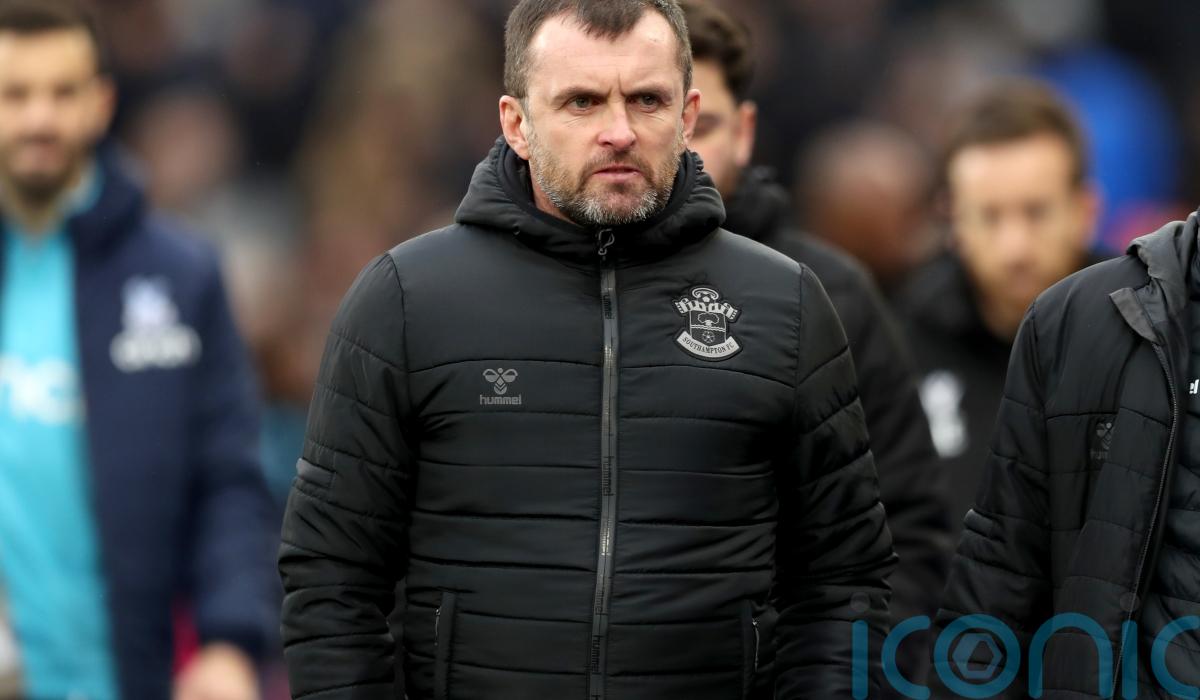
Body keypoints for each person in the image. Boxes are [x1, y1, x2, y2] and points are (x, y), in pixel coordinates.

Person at [277, 1, 897, 698]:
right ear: (516, 123)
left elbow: (845, 582)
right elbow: (331, 578)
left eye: (647, 100)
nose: (619, 131)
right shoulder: (404, 300)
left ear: (688, 116)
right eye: (582, 101)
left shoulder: (786, 305)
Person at [0, 1, 275, 698]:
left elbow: (227, 480)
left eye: (62, 93)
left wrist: (229, 642)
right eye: (15, 94)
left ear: (101, 102)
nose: (39, 119)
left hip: (133, 677)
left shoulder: (180, 276)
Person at [680, 0, 950, 685]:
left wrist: (845, 680)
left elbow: (906, 527)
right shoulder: (556, 288)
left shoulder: (831, 297)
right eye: (656, 114)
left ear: (745, 132)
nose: (678, 148)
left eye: (701, 125)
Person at [896, 81, 1104, 537]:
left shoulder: (1147, 337)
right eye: (989, 216)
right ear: (952, 219)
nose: (1015, 248)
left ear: (1085, 212)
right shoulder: (899, 347)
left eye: (1036, 212)